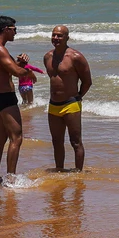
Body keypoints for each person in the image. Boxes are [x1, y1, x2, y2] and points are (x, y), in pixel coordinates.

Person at [0, 16, 35, 183]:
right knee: (17, 137)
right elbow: (17, 72)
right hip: (6, 98)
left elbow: (10, 70)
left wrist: (20, 64)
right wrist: (27, 69)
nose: (16, 32)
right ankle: (11, 179)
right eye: (14, 29)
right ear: (6, 29)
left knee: (1, 139)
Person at [43, 25, 91, 172]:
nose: (56, 38)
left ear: (67, 38)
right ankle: (59, 171)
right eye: (54, 35)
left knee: (75, 142)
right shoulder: (47, 57)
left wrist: (77, 97)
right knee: (56, 142)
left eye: (59, 36)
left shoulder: (76, 57)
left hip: (71, 104)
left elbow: (87, 81)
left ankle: (78, 174)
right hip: (53, 105)